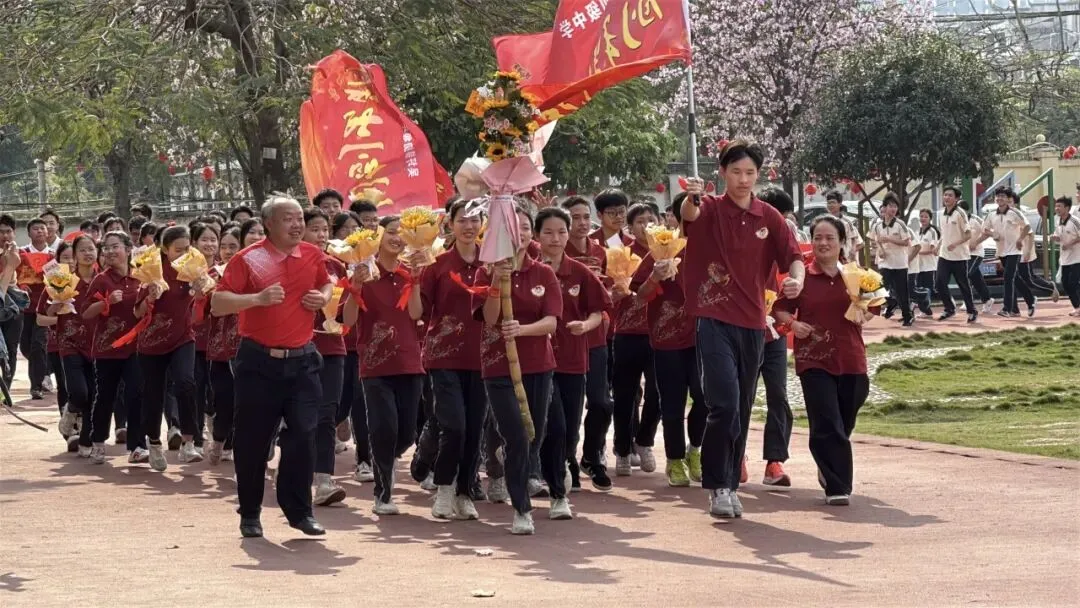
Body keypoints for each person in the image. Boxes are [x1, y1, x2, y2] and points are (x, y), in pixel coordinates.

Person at [680, 140, 804, 519]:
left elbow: (794, 258)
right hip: (713, 320)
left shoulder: (768, 217)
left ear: (758, 175)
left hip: (753, 323)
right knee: (724, 403)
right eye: (736, 172)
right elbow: (689, 213)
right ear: (722, 172)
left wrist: (795, 280)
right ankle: (718, 485)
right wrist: (693, 197)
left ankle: (731, 482)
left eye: (750, 173)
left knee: (743, 409)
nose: (743, 179)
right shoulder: (710, 208)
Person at [212, 195, 332, 539]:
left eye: (299, 218)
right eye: (287, 219)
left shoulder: (311, 254)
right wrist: (256, 299)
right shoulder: (249, 259)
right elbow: (218, 303)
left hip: (303, 360)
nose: (297, 225)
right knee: (252, 440)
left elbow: (326, 282)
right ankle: (250, 513)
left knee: (305, 433)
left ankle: (299, 511)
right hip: (258, 362)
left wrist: (322, 297)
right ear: (268, 224)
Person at [773, 216, 874, 506]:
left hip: (851, 358)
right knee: (826, 420)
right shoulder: (802, 277)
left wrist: (865, 310)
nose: (823, 243)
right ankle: (837, 486)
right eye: (818, 237)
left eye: (830, 237)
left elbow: (873, 308)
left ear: (842, 242)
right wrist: (793, 325)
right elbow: (779, 309)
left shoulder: (856, 276)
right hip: (814, 360)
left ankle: (828, 461)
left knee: (844, 421)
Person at [474, 203, 561, 535]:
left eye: (525, 227)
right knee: (517, 435)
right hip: (498, 368)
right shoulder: (486, 271)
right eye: (513, 228)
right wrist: (497, 280)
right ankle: (521, 507)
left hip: (538, 365)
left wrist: (521, 330)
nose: (520, 233)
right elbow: (492, 317)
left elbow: (552, 321)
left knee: (533, 433)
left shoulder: (544, 273)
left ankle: (512, 454)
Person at [341, 215, 425, 515]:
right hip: (374, 365)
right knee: (382, 427)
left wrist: (415, 280)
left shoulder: (408, 272)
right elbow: (348, 321)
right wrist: (354, 286)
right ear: (378, 236)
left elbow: (416, 314)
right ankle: (383, 492)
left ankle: (387, 460)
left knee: (406, 433)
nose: (396, 238)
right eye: (391, 232)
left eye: (402, 234)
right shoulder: (364, 271)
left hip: (409, 361)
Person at [537, 206, 608, 519]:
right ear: (536, 236)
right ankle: (551, 481)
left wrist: (586, 326)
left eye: (561, 232)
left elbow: (598, 310)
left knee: (568, 423)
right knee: (550, 423)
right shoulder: (527, 270)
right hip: (536, 360)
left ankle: (565, 463)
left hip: (572, 358)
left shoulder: (579, 272)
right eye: (549, 232)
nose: (556, 238)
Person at [630, 193, 705, 487]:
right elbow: (639, 296)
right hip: (668, 338)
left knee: (706, 398)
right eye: (686, 214)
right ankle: (674, 459)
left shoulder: (712, 248)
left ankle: (695, 449)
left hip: (706, 337)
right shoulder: (660, 249)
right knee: (672, 402)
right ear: (675, 217)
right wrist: (655, 278)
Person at [419, 199, 488, 519]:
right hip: (443, 356)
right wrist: (414, 277)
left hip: (484, 357)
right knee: (454, 427)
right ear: (449, 223)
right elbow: (418, 312)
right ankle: (444, 489)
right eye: (462, 219)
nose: (469, 226)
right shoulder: (436, 264)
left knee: (475, 429)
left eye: (475, 219)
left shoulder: (493, 263)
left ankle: (464, 492)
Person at [137, 226, 208, 470]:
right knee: (153, 394)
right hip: (152, 342)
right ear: (165, 249)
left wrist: (201, 290)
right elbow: (137, 312)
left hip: (182, 337)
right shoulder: (151, 270)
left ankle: (189, 442)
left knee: (186, 382)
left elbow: (202, 300)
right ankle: (154, 443)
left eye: (186, 248)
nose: (182, 253)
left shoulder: (193, 267)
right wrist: (150, 298)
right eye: (177, 250)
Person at [562, 196, 613, 491]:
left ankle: (593, 456)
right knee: (568, 405)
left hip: (595, 337)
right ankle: (566, 458)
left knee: (601, 402)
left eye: (585, 217)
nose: (581, 223)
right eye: (575, 217)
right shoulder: (553, 250)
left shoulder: (602, 251)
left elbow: (606, 295)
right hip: (562, 339)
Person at [83, 231, 147, 463]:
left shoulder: (142, 275)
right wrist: (106, 302)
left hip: (136, 347)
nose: (109, 252)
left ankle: (137, 446)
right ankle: (98, 442)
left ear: (129, 249)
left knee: (136, 393)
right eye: (106, 248)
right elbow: (86, 312)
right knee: (106, 396)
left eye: (115, 247)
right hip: (107, 348)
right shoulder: (102, 279)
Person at [751, 188, 798, 487]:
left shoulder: (787, 239)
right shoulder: (744, 236)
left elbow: (797, 266)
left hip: (774, 332)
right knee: (739, 398)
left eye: (783, 217)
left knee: (778, 395)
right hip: (742, 329)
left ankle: (774, 462)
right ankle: (736, 457)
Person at [302, 207, 349, 507]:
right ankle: (297, 466)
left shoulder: (337, 266)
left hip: (332, 347)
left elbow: (346, 309)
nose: (321, 235)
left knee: (327, 413)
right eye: (314, 229)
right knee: (301, 415)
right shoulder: (291, 263)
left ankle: (324, 480)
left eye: (324, 229)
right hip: (298, 348)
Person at [610, 203, 661, 478]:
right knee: (625, 395)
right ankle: (621, 450)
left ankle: (644, 441)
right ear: (630, 227)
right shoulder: (622, 253)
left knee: (658, 391)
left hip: (659, 335)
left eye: (651, 220)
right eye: (640, 221)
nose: (646, 225)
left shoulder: (669, 251)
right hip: (627, 334)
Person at [204, 227, 242, 465]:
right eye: (224, 246)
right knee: (224, 399)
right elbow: (204, 311)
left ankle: (240, 447)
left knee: (247, 402)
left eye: (233, 246)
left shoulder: (255, 274)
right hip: (219, 349)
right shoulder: (212, 275)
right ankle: (219, 438)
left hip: (249, 347)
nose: (228, 251)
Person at [190, 223, 220, 450]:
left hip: (219, 340)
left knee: (216, 390)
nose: (209, 244)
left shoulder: (224, 270)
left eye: (213, 239)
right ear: (194, 244)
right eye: (204, 240)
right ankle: (197, 437)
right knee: (196, 387)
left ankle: (215, 425)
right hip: (193, 339)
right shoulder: (187, 273)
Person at [983, 186, 1033, 318]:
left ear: (1008, 199)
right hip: (1002, 251)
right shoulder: (991, 214)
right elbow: (985, 229)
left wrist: (1020, 239)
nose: (1000, 198)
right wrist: (993, 233)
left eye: (1003, 196)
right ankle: (1031, 300)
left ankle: (1007, 308)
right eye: (998, 196)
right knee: (1015, 278)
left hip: (1014, 251)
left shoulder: (1014, 213)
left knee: (1008, 277)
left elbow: (1027, 226)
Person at [19, 217, 53, 399]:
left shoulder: (54, 256)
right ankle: (44, 368)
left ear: (48, 232)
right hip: (25, 306)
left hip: (45, 307)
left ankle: (36, 385)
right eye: (35, 229)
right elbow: (14, 275)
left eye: (43, 228)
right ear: (29, 233)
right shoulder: (21, 253)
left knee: (38, 344)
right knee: (25, 345)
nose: (40, 231)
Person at [870, 193, 915, 327]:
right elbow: (874, 241)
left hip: (900, 263)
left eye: (895, 206)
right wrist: (881, 251)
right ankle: (891, 302)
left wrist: (889, 239)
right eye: (890, 206)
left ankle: (907, 316)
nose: (893, 209)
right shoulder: (877, 226)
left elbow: (906, 242)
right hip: (885, 263)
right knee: (880, 286)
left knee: (902, 291)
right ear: (884, 208)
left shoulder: (900, 224)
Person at [936, 187, 977, 323]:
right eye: (945, 195)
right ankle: (949, 308)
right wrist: (938, 244)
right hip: (944, 255)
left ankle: (972, 311)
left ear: (956, 198)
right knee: (939, 283)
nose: (946, 197)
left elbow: (968, 234)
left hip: (959, 256)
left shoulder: (960, 213)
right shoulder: (941, 214)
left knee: (963, 285)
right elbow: (943, 233)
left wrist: (955, 243)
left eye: (950, 195)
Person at [0, 215, 20, 388]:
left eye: (8, 231)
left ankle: (6, 386)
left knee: (11, 347)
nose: (5, 236)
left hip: (11, 303)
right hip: (2, 297)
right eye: (1, 232)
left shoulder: (17, 253)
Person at [1050, 196, 1080, 316]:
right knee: (1065, 283)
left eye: (1059, 206)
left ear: (1067, 208)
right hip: (1065, 259)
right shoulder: (1058, 221)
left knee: (1072, 283)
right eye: (1056, 206)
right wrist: (1055, 237)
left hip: (1077, 257)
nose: (1056, 208)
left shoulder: (1075, 221)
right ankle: (1077, 307)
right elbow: (1058, 236)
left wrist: (1070, 243)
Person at [963, 201, 994, 313]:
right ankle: (987, 300)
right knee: (976, 278)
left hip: (976, 253)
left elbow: (987, 232)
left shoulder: (976, 220)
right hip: (964, 254)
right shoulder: (958, 221)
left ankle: (968, 301)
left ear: (967, 211)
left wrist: (975, 242)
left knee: (967, 274)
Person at [911, 209, 939, 317]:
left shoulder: (932, 232)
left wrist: (918, 252)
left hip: (929, 266)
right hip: (919, 266)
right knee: (919, 289)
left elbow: (933, 250)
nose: (923, 219)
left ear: (930, 219)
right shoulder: (918, 232)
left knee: (928, 289)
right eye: (921, 216)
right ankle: (926, 310)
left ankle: (926, 310)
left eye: (926, 217)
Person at [825, 190, 863, 263]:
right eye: (829, 203)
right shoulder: (824, 222)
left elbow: (855, 238)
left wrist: (853, 250)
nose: (831, 205)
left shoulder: (847, 222)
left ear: (840, 204)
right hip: (831, 259)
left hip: (846, 260)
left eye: (833, 202)